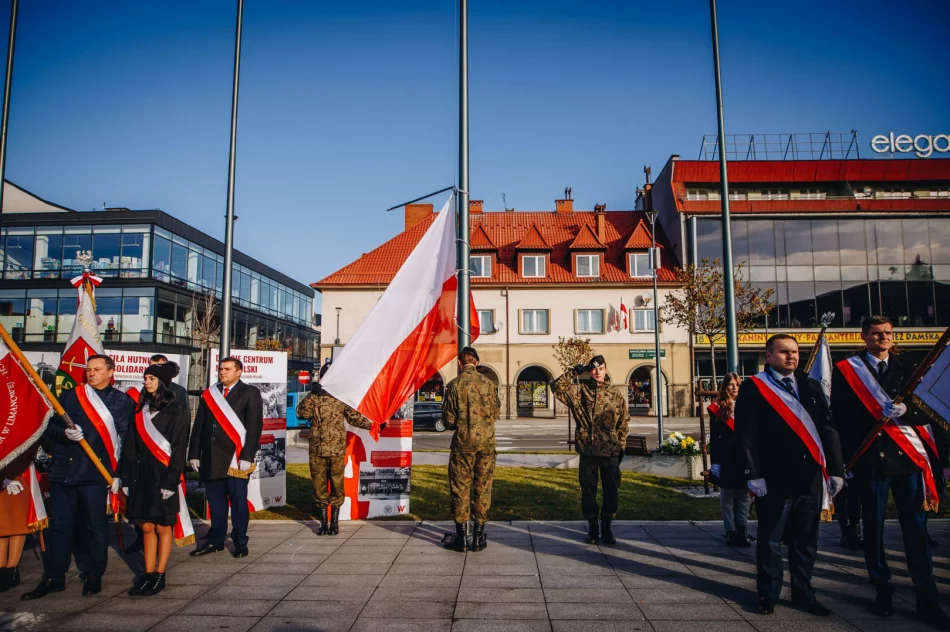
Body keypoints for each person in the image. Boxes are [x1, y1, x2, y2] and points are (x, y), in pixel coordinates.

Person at [831, 316, 950, 627]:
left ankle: (926, 597)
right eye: (875, 334)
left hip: (907, 461)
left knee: (917, 531)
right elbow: (839, 417)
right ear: (864, 337)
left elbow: (926, 406)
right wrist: (845, 460)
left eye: (886, 333)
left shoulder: (908, 366)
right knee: (874, 531)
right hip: (871, 462)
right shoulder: (847, 370)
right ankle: (882, 589)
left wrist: (905, 411)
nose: (882, 338)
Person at [735, 334, 844, 616]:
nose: (791, 357)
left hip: (809, 478)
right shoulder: (755, 387)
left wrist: (836, 470)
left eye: (795, 352)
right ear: (769, 355)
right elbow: (746, 434)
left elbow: (828, 430)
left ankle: (803, 594)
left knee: (805, 540)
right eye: (784, 352)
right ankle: (768, 595)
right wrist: (752, 473)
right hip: (774, 478)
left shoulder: (809, 385)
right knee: (770, 540)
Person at [22, 354, 135, 600]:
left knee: (94, 526)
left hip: (95, 473)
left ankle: (94, 574)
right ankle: (54, 577)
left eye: (97, 369)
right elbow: (48, 426)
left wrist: (120, 476)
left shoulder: (121, 402)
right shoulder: (71, 396)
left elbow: (126, 441)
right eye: (89, 370)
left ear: (110, 372)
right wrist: (64, 434)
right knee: (59, 528)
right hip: (64, 472)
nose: (91, 373)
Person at [120, 363, 189, 596]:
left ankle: (160, 574)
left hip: (162, 475)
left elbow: (179, 448)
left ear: (162, 382)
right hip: (140, 475)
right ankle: (147, 573)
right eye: (145, 378)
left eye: (151, 378)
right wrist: (125, 477)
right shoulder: (140, 410)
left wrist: (171, 481)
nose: (146, 382)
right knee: (145, 525)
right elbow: (129, 446)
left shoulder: (176, 410)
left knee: (162, 525)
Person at [188, 357, 262, 558]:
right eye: (221, 369)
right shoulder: (210, 394)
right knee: (216, 504)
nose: (223, 372)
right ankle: (215, 541)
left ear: (239, 372)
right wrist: (194, 452)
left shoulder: (250, 393)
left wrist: (247, 455)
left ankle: (240, 541)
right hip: (212, 458)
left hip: (235, 459)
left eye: (227, 369)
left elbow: (255, 428)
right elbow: (199, 425)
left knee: (238, 504)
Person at [552, 355, 628, 545]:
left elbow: (623, 423)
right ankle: (593, 528)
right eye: (593, 369)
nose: (597, 372)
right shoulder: (580, 392)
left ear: (605, 369)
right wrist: (575, 371)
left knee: (611, 491)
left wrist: (621, 447)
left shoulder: (616, 394)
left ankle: (607, 527)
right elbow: (556, 386)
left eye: (600, 368)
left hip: (610, 452)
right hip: (588, 452)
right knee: (588, 492)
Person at [295, 363, 374, 535]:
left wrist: (373, 426)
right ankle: (323, 522)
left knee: (337, 485)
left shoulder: (342, 397)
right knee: (319, 486)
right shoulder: (314, 396)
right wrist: (312, 393)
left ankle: (335, 522)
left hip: (336, 448)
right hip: (317, 449)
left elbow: (355, 418)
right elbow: (301, 413)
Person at [441, 347, 500, 552]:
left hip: (463, 445)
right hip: (486, 444)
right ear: (476, 362)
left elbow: (448, 421)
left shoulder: (454, 385)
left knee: (460, 489)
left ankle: (461, 538)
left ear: (460, 363)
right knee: (482, 488)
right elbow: (495, 414)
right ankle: (477, 537)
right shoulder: (490, 385)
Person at [708, 373, 752, 547]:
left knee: (743, 497)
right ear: (724, 387)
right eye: (730, 385)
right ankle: (730, 531)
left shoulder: (747, 406)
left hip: (743, 458)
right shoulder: (717, 408)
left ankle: (742, 530)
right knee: (727, 497)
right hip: (726, 458)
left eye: (737, 385)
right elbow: (715, 438)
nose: (734, 388)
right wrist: (715, 462)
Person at [0, 448, 40, 593]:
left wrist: (10, 474)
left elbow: (24, 448)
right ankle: (2, 569)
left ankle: (11, 570)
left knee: (17, 524)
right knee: (2, 525)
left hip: (16, 475)